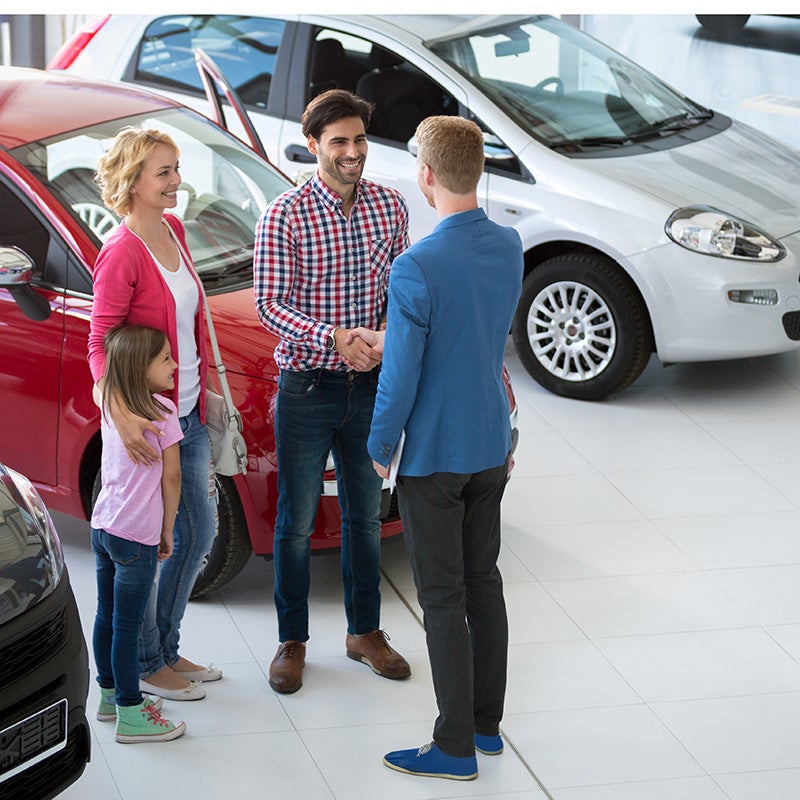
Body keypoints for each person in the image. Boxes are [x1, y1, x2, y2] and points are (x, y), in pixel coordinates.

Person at [365, 116, 523, 780]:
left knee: (443, 596)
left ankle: (453, 745)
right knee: (484, 582)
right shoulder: (510, 244)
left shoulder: (417, 265)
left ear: (426, 175)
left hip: (435, 454)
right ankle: (486, 727)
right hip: (491, 439)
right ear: (476, 170)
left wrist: (379, 444)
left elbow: (401, 373)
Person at [253, 89, 411, 694]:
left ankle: (364, 632)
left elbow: (402, 292)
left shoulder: (390, 208)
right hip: (307, 385)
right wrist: (334, 336)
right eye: (339, 141)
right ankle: (292, 639)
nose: (352, 152)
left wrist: (383, 337)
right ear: (314, 144)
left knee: (365, 516)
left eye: (360, 140)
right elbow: (269, 305)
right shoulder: (285, 215)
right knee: (294, 521)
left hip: (371, 386)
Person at [88, 128, 222, 702]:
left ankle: (163, 647)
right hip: (148, 423)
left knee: (197, 534)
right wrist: (120, 415)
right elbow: (100, 343)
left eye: (176, 168)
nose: (176, 181)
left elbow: (188, 325)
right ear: (133, 182)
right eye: (163, 172)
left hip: (186, 412)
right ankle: (145, 660)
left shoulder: (174, 229)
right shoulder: (120, 253)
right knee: (151, 544)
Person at [91, 324, 186, 743]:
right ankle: (131, 713)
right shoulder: (163, 413)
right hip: (137, 536)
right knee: (127, 627)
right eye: (165, 358)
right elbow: (173, 478)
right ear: (139, 367)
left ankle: (109, 696)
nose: (174, 364)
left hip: (104, 525)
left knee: (106, 615)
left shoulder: (112, 405)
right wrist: (167, 530)